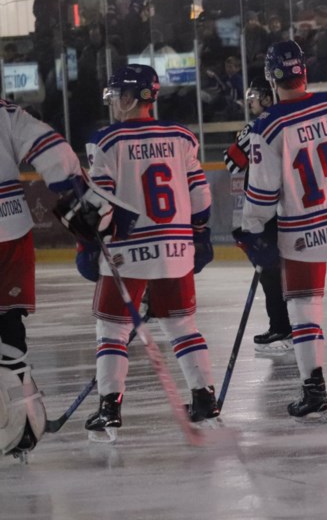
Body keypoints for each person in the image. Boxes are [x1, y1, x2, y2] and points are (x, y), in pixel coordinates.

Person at [238, 41, 327, 420]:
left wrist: (252, 228)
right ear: (305, 71)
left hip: (302, 233)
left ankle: (314, 390)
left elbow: (262, 193)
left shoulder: (267, 125)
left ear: (272, 79)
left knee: (304, 311)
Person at [81, 64, 219, 440]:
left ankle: (109, 407)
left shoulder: (107, 142)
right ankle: (205, 398)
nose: (113, 103)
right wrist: (201, 234)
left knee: (111, 329)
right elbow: (201, 197)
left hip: (126, 251)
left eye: (115, 95)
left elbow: (98, 204)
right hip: (176, 246)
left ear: (129, 98)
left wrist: (86, 245)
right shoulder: (181, 136)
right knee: (183, 326)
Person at [0, 99, 99, 459]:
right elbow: (51, 147)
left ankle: (17, 425)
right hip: (10, 230)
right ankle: (23, 427)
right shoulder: (6, 112)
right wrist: (76, 193)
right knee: (10, 327)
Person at [223, 77, 293, 353]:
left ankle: (280, 327)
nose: (250, 100)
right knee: (292, 269)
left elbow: (231, 161)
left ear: (267, 97)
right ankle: (294, 325)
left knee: (270, 270)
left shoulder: (257, 126)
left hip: (267, 209)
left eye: (253, 95)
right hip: (293, 206)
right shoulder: (290, 119)